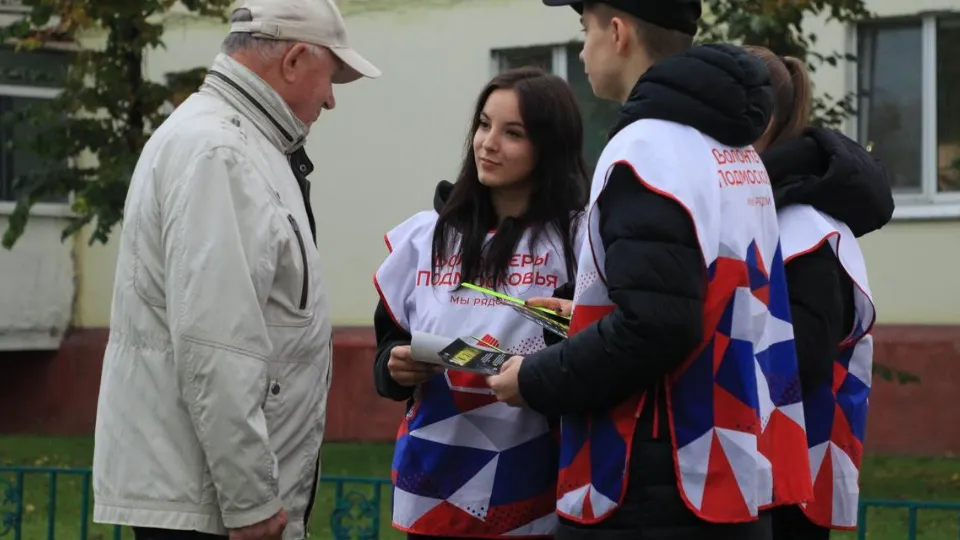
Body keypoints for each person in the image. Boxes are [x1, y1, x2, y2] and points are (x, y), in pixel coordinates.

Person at [486, 1, 810, 539]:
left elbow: (656, 326)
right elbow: (696, 294)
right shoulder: (734, 149)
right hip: (728, 473)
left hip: (648, 482)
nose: (582, 52)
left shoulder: (647, 149)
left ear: (617, 33)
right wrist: (589, 314)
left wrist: (535, 378)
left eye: (584, 30)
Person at [91, 1, 380, 539]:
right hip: (210, 509)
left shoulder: (231, 141)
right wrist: (251, 501)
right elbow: (217, 344)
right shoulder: (222, 152)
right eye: (331, 76)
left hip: (201, 496)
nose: (331, 98)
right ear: (294, 60)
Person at [372, 67, 589, 539]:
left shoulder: (581, 239)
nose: (488, 144)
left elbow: (596, 358)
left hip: (536, 491)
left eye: (513, 133)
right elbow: (388, 347)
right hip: (432, 489)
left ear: (550, 145)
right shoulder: (425, 236)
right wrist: (394, 367)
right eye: (484, 125)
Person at [743, 45, 894, 540]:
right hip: (756, 463)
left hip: (789, 472)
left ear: (759, 121)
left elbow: (804, 352)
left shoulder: (803, 226)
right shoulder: (758, 206)